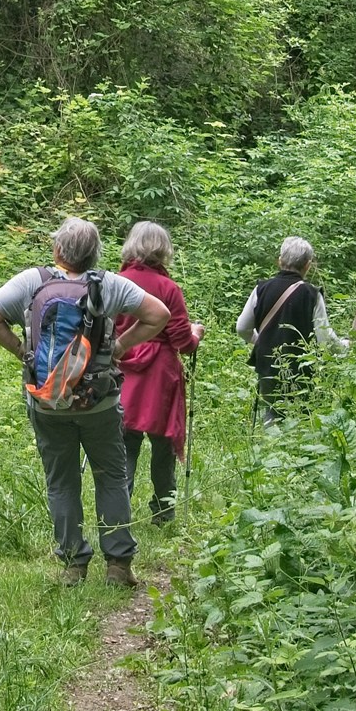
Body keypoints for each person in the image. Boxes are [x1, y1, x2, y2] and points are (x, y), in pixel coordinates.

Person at [0, 217, 174, 586]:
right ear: (96, 254)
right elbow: (159, 316)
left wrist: (21, 351)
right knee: (112, 476)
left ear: (56, 250)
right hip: (99, 402)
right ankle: (118, 565)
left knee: (61, 481)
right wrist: (118, 347)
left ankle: (73, 564)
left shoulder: (33, 281)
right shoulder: (109, 284)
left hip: (47, 402)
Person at [114, 221, 199, 528]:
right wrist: (197, 334)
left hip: (123, 371)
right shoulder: (168, 289)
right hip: (160, 377)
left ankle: (118, 516)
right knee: (162, 448)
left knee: (124, 446)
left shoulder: (116, 281)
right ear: (164, 250)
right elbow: (183, 343)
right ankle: (164, 514)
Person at [235, 237, 345, 418]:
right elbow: (324, 337)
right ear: (307, 265)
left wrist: (260, 340)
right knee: (301, 418)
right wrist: (343, 347)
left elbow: (242, 328)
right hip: (302, 369)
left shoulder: (261, 289)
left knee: (272, 413)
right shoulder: (312, 294)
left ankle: (271, 445)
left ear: (280, 261)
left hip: (267, 363)